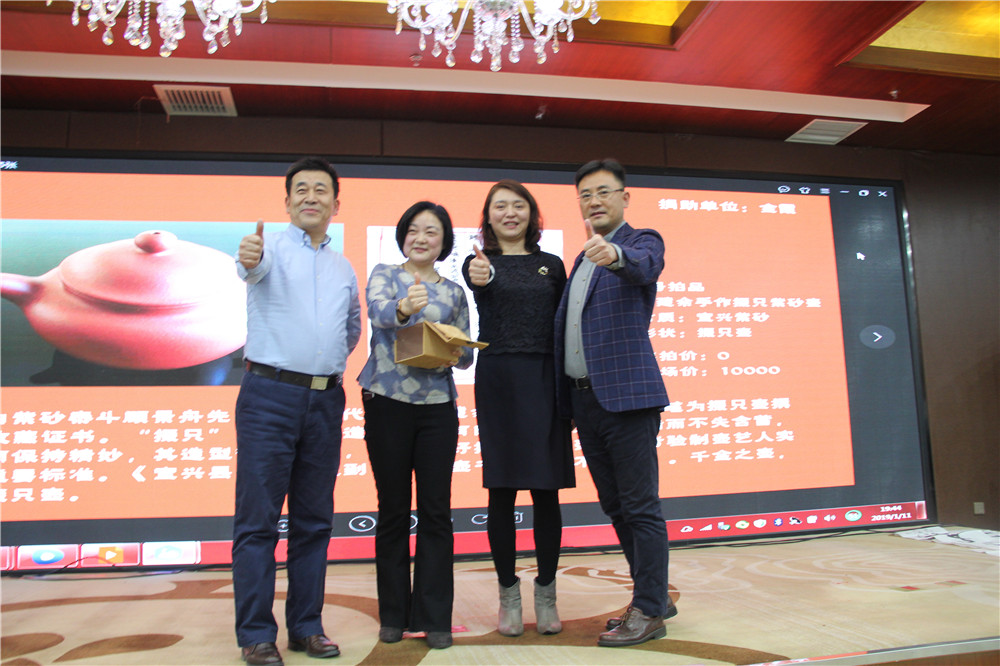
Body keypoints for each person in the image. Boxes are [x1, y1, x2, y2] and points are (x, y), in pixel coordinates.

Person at [232, 157, 361, 665]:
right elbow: (251, 267)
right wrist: (248, 257)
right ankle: (256, 634)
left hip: (325, 399)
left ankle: (306, 626)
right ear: (287, 202)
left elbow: (351, 330)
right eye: (301, 189)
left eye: (321, 189)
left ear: (335, 204)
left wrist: (322, 367)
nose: (311, 196)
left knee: (314, 521)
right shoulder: (267, 248)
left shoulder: (343, 267)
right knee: (258, 521)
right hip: (269, 395)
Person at [553, 158, 674, 648]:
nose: (594, 201)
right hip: (586, 402)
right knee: (617, 506)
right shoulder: (581, 259)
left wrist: (615, 255)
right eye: (585, 195)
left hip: (628, 398)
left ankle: (650, 611)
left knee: (640, 507)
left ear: (625, 197)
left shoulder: (641, 241)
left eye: (603, 192)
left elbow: (644, 266)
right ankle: (654, 595)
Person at [357, 201, 474, 650]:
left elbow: (466, 356)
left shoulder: (454, 292)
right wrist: (406, 308)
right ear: (403, 236)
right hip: (386, 401)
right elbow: (378, 312)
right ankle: (393, 615)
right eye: (414, 230)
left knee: (436, 511)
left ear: (444, 243)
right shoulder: (385, 274)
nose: (421, 238)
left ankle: (434, 616)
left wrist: (453, 350)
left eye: (432, 232)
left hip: (437, 408)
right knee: (392, 509)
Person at [461, 180, 574, 637]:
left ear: (532, 213)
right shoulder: (478, 263)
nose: (510, 213)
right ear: (488, 217)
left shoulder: (552, 265)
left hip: (546, 377)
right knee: (502, 492)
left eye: (518, 205)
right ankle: (508, 595)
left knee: (547, 492)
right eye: (500, 207)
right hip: (499, 380)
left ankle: (546, 593)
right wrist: (481, 276)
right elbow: (479, 281)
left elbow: (565, 323)